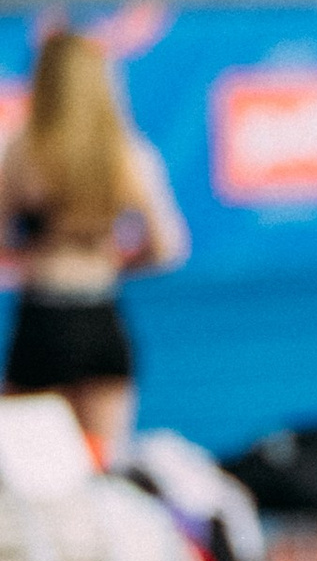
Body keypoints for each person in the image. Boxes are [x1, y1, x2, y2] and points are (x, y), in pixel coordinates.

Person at [1, 27, 189, 453]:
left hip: (42, 321)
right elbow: (169, 247)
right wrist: (115, 260)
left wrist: (37, 250)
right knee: (106, 470)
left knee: (33, 471)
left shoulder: (21, 151)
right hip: (101, 320)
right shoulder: (128, 154)